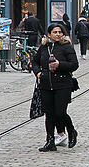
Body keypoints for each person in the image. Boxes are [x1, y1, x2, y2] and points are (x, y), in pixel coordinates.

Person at [32, 23, 80, 152]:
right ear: (49, 34)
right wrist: (38, 72)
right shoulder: (44, 47)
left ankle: (71, 130)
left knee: (60, 112)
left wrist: (60, 65)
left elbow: (74, 64)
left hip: (63, 84)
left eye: (60, 32)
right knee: (49, 114)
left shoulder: (66, 47)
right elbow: (35, 62)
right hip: (46, 84)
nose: (58, 34)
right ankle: (50, 141)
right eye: (55, 32)